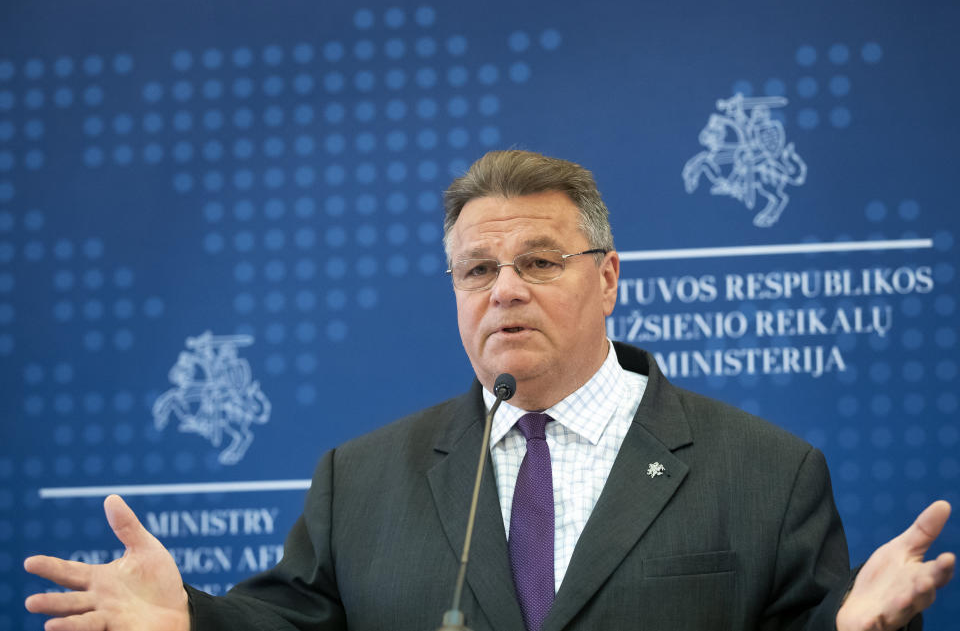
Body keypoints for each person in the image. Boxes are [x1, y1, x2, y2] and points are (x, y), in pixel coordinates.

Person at [25, 150, 954, 631]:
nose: (504, 287)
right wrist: (189, 614)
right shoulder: (365, 478)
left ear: (608, 278)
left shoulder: (767, 474)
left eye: (538, 259)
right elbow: (291, 622)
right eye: (477, 269)